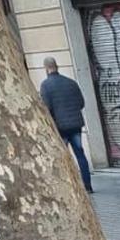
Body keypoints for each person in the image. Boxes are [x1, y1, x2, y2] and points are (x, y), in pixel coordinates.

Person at [39, 57, 93, 193]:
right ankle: (88, 186)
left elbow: (47, 108)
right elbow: (81, 103)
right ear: (57, 66)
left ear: (46, 68)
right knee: (80, 154)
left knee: (63, 157)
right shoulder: (71, 83)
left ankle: (71, 188)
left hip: (60, 127)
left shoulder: (45, 85)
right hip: (75, 126)